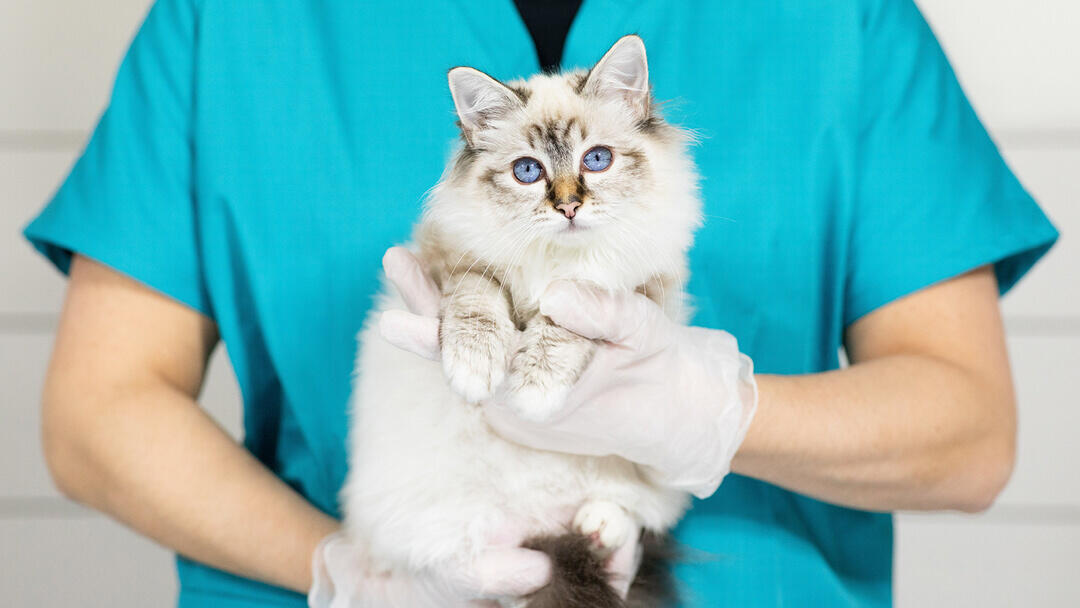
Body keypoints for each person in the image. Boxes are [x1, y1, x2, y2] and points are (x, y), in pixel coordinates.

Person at [25, 0, 1058, 606]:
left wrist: (713, 414)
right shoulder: (227, 24)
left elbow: (971, 436)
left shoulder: (845, 23)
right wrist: (350, 569)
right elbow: (95, 415)